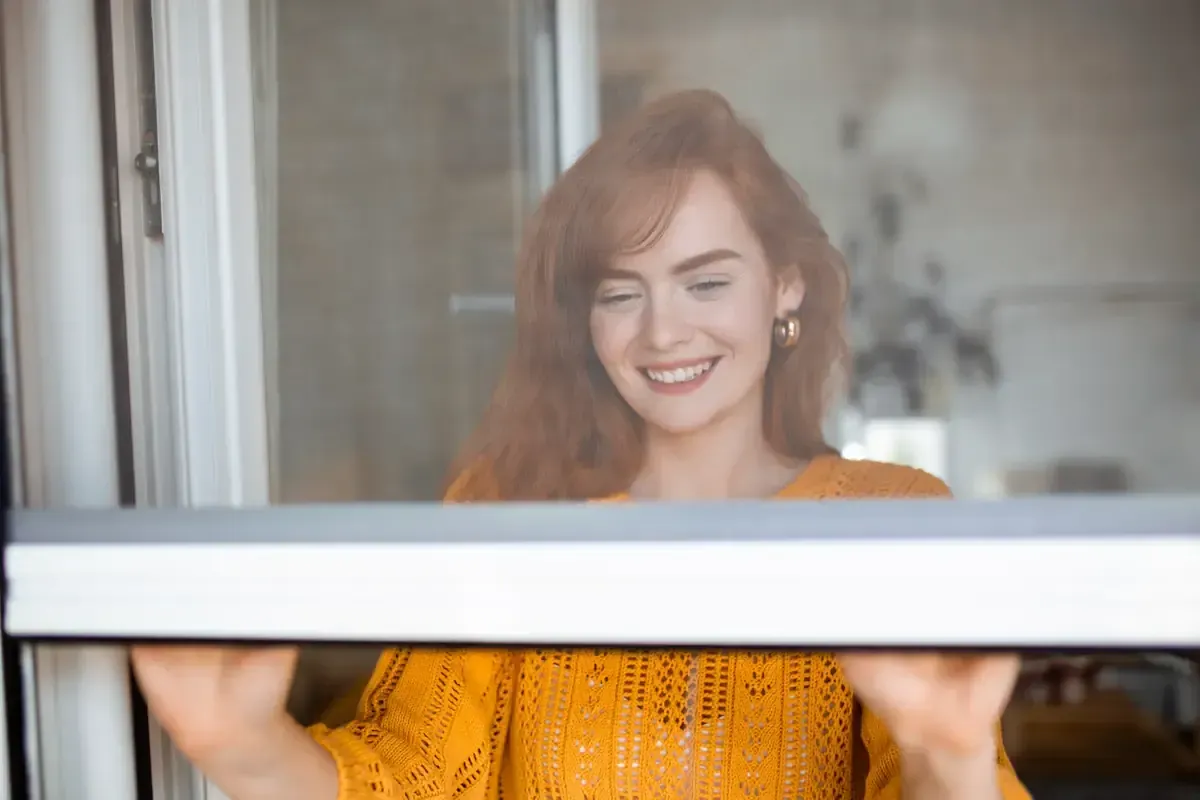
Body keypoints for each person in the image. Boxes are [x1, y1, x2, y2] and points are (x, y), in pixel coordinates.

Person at [132, 89, 1029, 799]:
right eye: (619, 293)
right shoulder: (508, 507)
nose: (663, 333)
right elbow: (412, 784)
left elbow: (932, 779)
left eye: (705, 281)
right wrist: (240, 746)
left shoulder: (892, 520)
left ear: (785, 288)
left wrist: (946, 760)